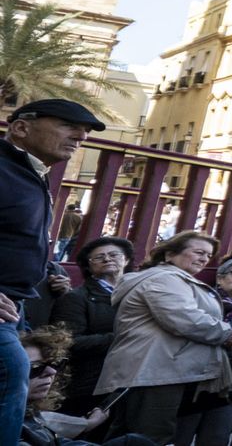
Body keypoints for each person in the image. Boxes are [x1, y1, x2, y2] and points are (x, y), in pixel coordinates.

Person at [2, 99, 105, 445]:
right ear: (20, 127)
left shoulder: (29, 173)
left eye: (85, 132)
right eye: (67, 125)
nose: (80, 137)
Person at [95, 231, 232, 444]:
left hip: (164, 371)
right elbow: (186, 319)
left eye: (208, 256)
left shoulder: (176, 279)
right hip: (153, 372)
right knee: (148, 438)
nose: (204, 259)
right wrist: (227, 332)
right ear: (170, 254)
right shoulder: (164, 278)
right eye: (198, 252)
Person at [20, 325, 154, 446]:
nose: (51, 372)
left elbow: (54, 442)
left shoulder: (28, 412)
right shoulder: (8, 418)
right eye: (36, 367)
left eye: (56, 364)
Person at [49, 236, 133, 416]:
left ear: (126, 260)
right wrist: (120, 338)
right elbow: (67, 342)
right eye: (99, 257)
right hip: (90, 383)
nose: (107, 259)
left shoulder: (138, 294)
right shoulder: (76, 298)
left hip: (129, 379)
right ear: (88, 266)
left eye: (114, 255)